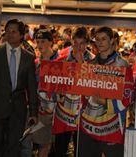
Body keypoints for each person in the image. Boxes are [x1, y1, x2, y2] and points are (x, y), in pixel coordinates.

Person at [0, 19, 38, 157]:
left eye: (14, 31)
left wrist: (34, 112)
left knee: (14, 147)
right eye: (8, 31)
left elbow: (31, 87)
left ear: (21, 35)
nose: (9, 34)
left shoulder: (28, 58)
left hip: (18, 109)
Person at [79, 27, 133, 157]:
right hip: (88, 126)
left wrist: (103, 101)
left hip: (111, 128)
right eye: (97, 39)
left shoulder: (122, 65)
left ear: (112, 40)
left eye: (104, 39)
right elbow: (83, 95)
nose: (100, 42)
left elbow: (127, 97)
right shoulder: (90, 64)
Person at [52, 26, 95, 157]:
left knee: (81, 149)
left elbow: (92, 85)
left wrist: (81, 62)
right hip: (64, 111)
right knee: (60, 148)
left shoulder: (93, 60)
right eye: (75, 42)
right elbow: (52, 82)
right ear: (71, 41)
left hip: (83, 112)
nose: (78, 47)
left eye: (82, 43)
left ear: (87, 43)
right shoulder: (61, 57)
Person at [21, 29, 58, 157]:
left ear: (51, 42)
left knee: (45, 143)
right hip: (34, 108)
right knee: (27, 140)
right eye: (38, 41)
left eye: (43, 41)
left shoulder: (60, 62)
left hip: (51, 110)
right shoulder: (35, 63)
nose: (40, 44)